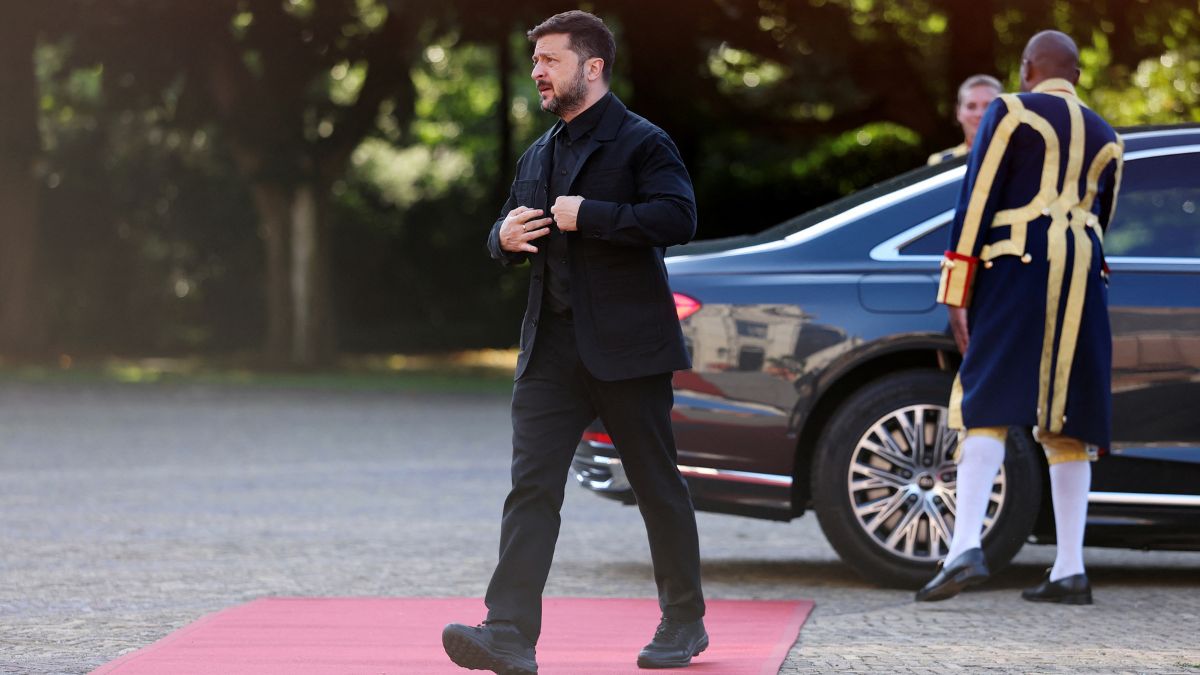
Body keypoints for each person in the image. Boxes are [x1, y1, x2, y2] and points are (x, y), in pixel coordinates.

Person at [441, 10, 707, 674]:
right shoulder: (540, 152)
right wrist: (500, 241)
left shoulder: (643, 142)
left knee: (656, 488)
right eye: (534, 61)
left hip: (629, 349)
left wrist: (593, 215)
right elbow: (506, 228)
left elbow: (679, 216)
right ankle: (508, 631)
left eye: (549, 60)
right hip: (549, 353)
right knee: (530, 489)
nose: (537, 71)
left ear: (592, 67)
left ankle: (684, 622)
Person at [916, 30, 1123, 605]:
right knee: (1068, 418)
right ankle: (1070, 569)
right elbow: (1103, 218)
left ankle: (964, 549)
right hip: (1085, 276)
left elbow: (977, 198)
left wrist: (957, 285)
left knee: (984, 399)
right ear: (1078, 75)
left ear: (1028, 68)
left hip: (1016, 265)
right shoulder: (1109, 136)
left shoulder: (1011, 110)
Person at [927, 74, 1003, 165]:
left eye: (988, 106)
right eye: (971, 106)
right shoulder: (942, 162)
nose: (979, 114)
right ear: (958, 113)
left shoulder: (1020, 153)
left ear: (1004, 110)